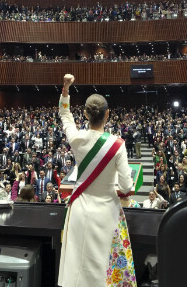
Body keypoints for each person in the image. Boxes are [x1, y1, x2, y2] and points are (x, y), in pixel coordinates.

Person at [57, 74, 136, 287]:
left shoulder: (76, 139)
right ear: (107, 114)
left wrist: (66, 89)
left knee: (77, 270)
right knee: (104, 272)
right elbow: (127, 186)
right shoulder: (117, 145)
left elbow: (65, 115)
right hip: (107, 213)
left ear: (85, 114)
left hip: (79, 211)